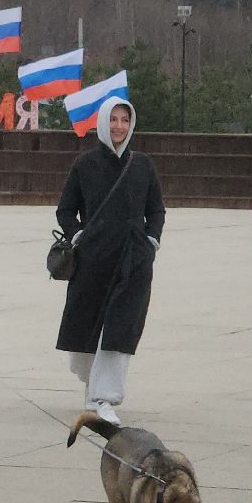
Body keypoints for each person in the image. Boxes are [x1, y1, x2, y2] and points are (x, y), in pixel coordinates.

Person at [55, 98, 165, 427]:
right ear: (103, 123)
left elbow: (156, 209)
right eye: (113, 120)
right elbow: (65, 209)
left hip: (133, 261)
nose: (119, 126)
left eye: (124, 120)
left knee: (121, 328)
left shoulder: (143, 165)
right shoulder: (85, 164)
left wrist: (151, 241)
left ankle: (104, 398)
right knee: (87, 330)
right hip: (93, 260)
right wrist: (77, 236)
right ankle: (93, 384)